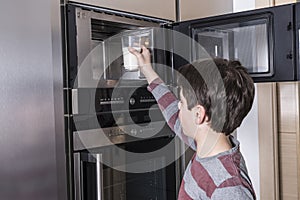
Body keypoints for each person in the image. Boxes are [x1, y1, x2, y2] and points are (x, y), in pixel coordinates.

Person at [129, 46, 256, 200]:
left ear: (199, 115)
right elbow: (173, 115)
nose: (178, 106)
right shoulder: (206, 143)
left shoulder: (228, 187)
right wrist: (147, 70)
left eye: (181, 102)